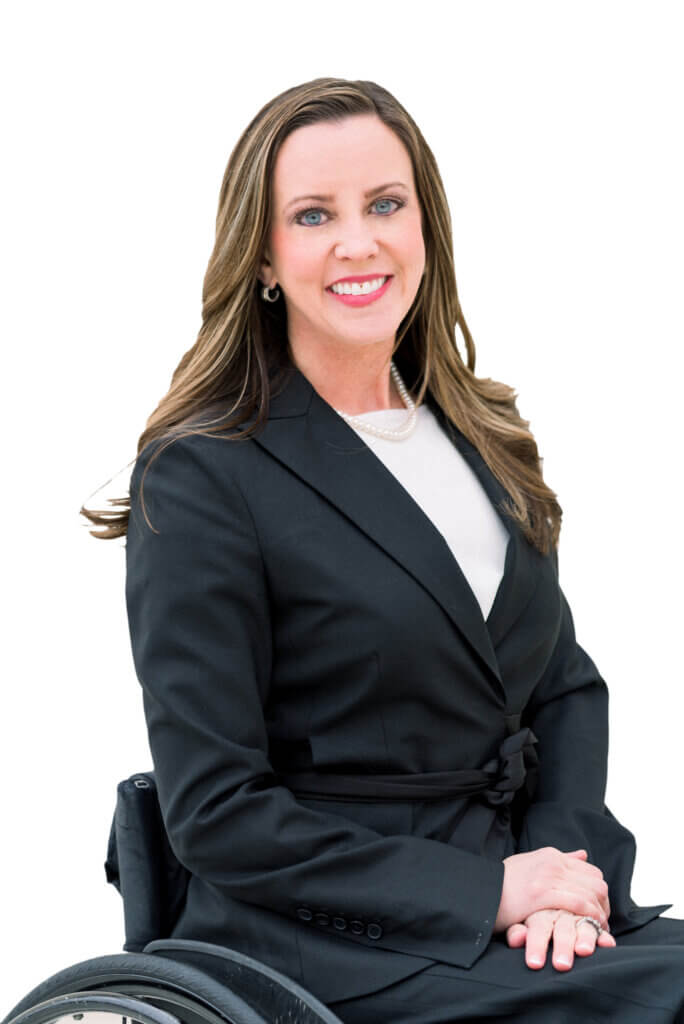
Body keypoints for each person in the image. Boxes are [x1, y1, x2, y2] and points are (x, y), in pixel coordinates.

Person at [83, 77, 684, 1022]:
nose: (358, 242)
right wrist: (486, 894)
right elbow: (218, 812)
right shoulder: (204, 475)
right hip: (322, 941)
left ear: (425, 226)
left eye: (385, 204)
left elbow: (562, 688)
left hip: (513, 900)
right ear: (264, 256)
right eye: (314, 214)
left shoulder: (481, 431)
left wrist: (560, 878)